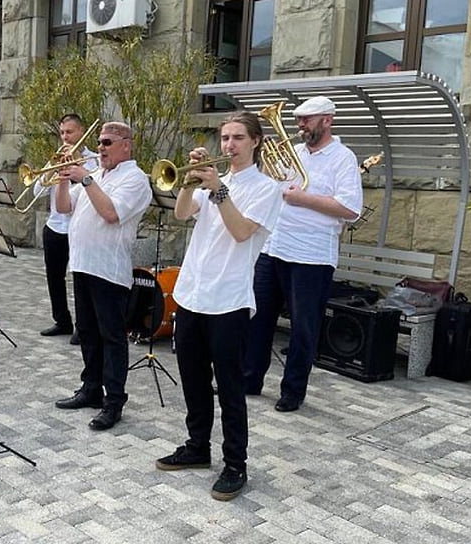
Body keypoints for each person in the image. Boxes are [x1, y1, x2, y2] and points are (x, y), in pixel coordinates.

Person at [154, 112, 283, 501]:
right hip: (192, 293)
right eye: (224, 138)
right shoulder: (212, 179)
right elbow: (180, 213)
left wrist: (218, 190)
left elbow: (243, 233)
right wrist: (190, 179)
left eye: (238, 138)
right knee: (192, 379)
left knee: (229, 387)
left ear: (256, 142)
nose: (228, 145)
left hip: (229, 300)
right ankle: (197, 448)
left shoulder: (267, 188)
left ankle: (235, 464)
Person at [243, 96, 363, 412]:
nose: (300, 126)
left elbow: (350, 209)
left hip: (312, 255)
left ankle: (293, 391)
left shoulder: (343, 158)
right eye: (297, 120)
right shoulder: (294, 152)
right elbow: (271, 190)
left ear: (327, 120)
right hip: (274, 247)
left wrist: (304, 199)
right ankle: (249, 378)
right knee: (258, 318)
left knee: (303, 327)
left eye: (307, 120)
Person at [52, 121, 152, 431]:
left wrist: (85, 179)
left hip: (108, 269)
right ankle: (91, 388)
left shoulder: (135, 179)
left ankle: (114, 401)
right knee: (88, 332)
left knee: (111, 337)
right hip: (83, 263)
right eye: (99, 142)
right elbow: (64, 206)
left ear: (126, 145)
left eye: (107, 142)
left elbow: (111, 214)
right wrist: (61, 176)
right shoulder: (98, 174)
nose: (101, 148)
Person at [35, 114, 97, 343]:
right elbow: (36, 192)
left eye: (69, 132)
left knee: (81, 279)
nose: (65, 137)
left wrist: (77, 162)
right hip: (55, 225)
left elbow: (95, 187)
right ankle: (62, 321)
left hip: (79, 227)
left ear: (81, 132)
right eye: (62, 132)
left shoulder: (93, 160)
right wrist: (52, 169)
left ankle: (84, 326)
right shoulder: (56, 157)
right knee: (54, 277)